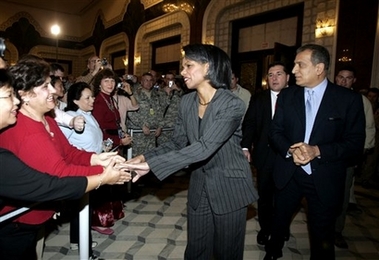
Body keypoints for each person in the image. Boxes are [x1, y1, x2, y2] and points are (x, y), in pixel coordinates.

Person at [125, 44, 258, 260]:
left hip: (229, 186)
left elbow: (205, 147)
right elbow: (177, 142)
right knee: (196, 251)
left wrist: (151, 166)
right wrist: (144, 157)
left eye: (189, 66)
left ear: (207, 67)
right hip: (199, 186)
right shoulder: (187, 102)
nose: (182, 72)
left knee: (226, 253)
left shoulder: (231, 104)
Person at [0, 59, 127, 259]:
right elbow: (61, 173)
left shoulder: (46, 117)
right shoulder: (26, 129)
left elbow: (69, 153)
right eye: (45, 86)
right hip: (17, 222)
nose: (54, 90)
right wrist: (104, 174)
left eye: (52, 83)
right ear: (24, 95)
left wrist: (96, 159)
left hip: (36, 215)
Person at [264, 44, 365, 260]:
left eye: (300, 65)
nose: (294, 70)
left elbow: (355, 143)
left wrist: (317, 150)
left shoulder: (348, 100)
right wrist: (291, 151)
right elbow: (275, 132)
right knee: (279, 220)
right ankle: (273, 253)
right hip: (289, 173)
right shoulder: (287, 96)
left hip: (324, 176)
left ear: (319, 68)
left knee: (322, 234)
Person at [241, 61, 289, 246]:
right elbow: (250, 124)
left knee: (284, 196)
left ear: (287, 77)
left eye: (278, 74)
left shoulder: (296, 97)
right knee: (265, 195)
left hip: (288, 157)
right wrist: (245, 146)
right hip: (264, 155)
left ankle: (281, 228)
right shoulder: (258, 98)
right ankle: (265, 228)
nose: (274, 78)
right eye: (270, 74)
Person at [334, 66, 376, 248]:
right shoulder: (329, 96)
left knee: (342, 196)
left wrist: (362, 151)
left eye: (348, 78)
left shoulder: (361, 101)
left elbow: (368, 128)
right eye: (340, 77)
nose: (343, 81)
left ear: (354, 81)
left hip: (347, 158)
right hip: (324, 155)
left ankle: (337, 231)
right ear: (335, 78)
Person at [127, 72, 164, 156]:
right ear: (141, 82)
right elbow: (131, 113)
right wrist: (142, 125)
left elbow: (160, 112)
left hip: (152, 134)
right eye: (146, 80)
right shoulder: (135, 95)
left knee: (150, 159)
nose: (149, 83)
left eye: (151, 80)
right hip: (139, 134)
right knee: (136, 159)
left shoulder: (156, 95)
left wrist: (160, 126)